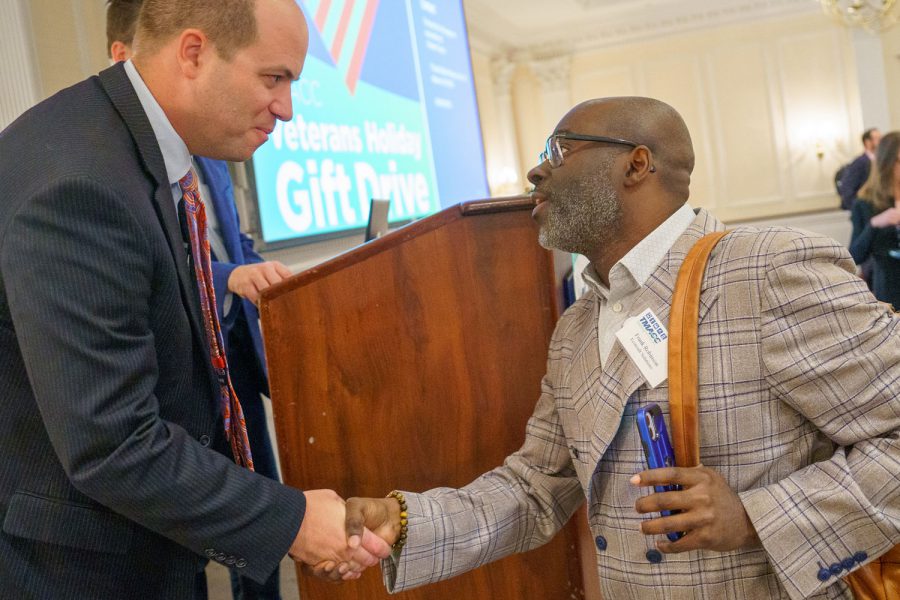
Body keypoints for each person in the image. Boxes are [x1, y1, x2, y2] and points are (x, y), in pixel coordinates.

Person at [339, 97, 900, 599]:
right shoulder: (576, 327)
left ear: (636, 164)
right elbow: (535, 487)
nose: (536, 171)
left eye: (558, 151)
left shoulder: (764, 270)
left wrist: (755, 517)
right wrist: (403, 521)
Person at [0, 1, 389, 598]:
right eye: (274, 77)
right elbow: (114, 443)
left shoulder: (130, 148)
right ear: (193, 53)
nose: (286, 108)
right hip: (79, 570)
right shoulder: (82, 184)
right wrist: (291, 522)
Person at [106, 2, 291, 597]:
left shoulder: (210, 145)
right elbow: (162, 264)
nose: (285, 107)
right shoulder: (103, 173)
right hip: (180, 364)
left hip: (237, 346)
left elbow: (230, 240)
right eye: (273, 77)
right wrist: (229, 276)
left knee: (259, 490)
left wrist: (255, 268)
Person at [849, 131, 900, 310]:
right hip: (890, 286)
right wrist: (874, 224)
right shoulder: (865, 203)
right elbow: (854, 256)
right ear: (886, 163)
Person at [839, 127, 881, 210]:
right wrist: (857, 209)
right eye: (877, 138)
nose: (881, 141)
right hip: (867, 207)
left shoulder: (881, 160)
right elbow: (848, 187)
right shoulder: (859, 163)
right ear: (867, 142)